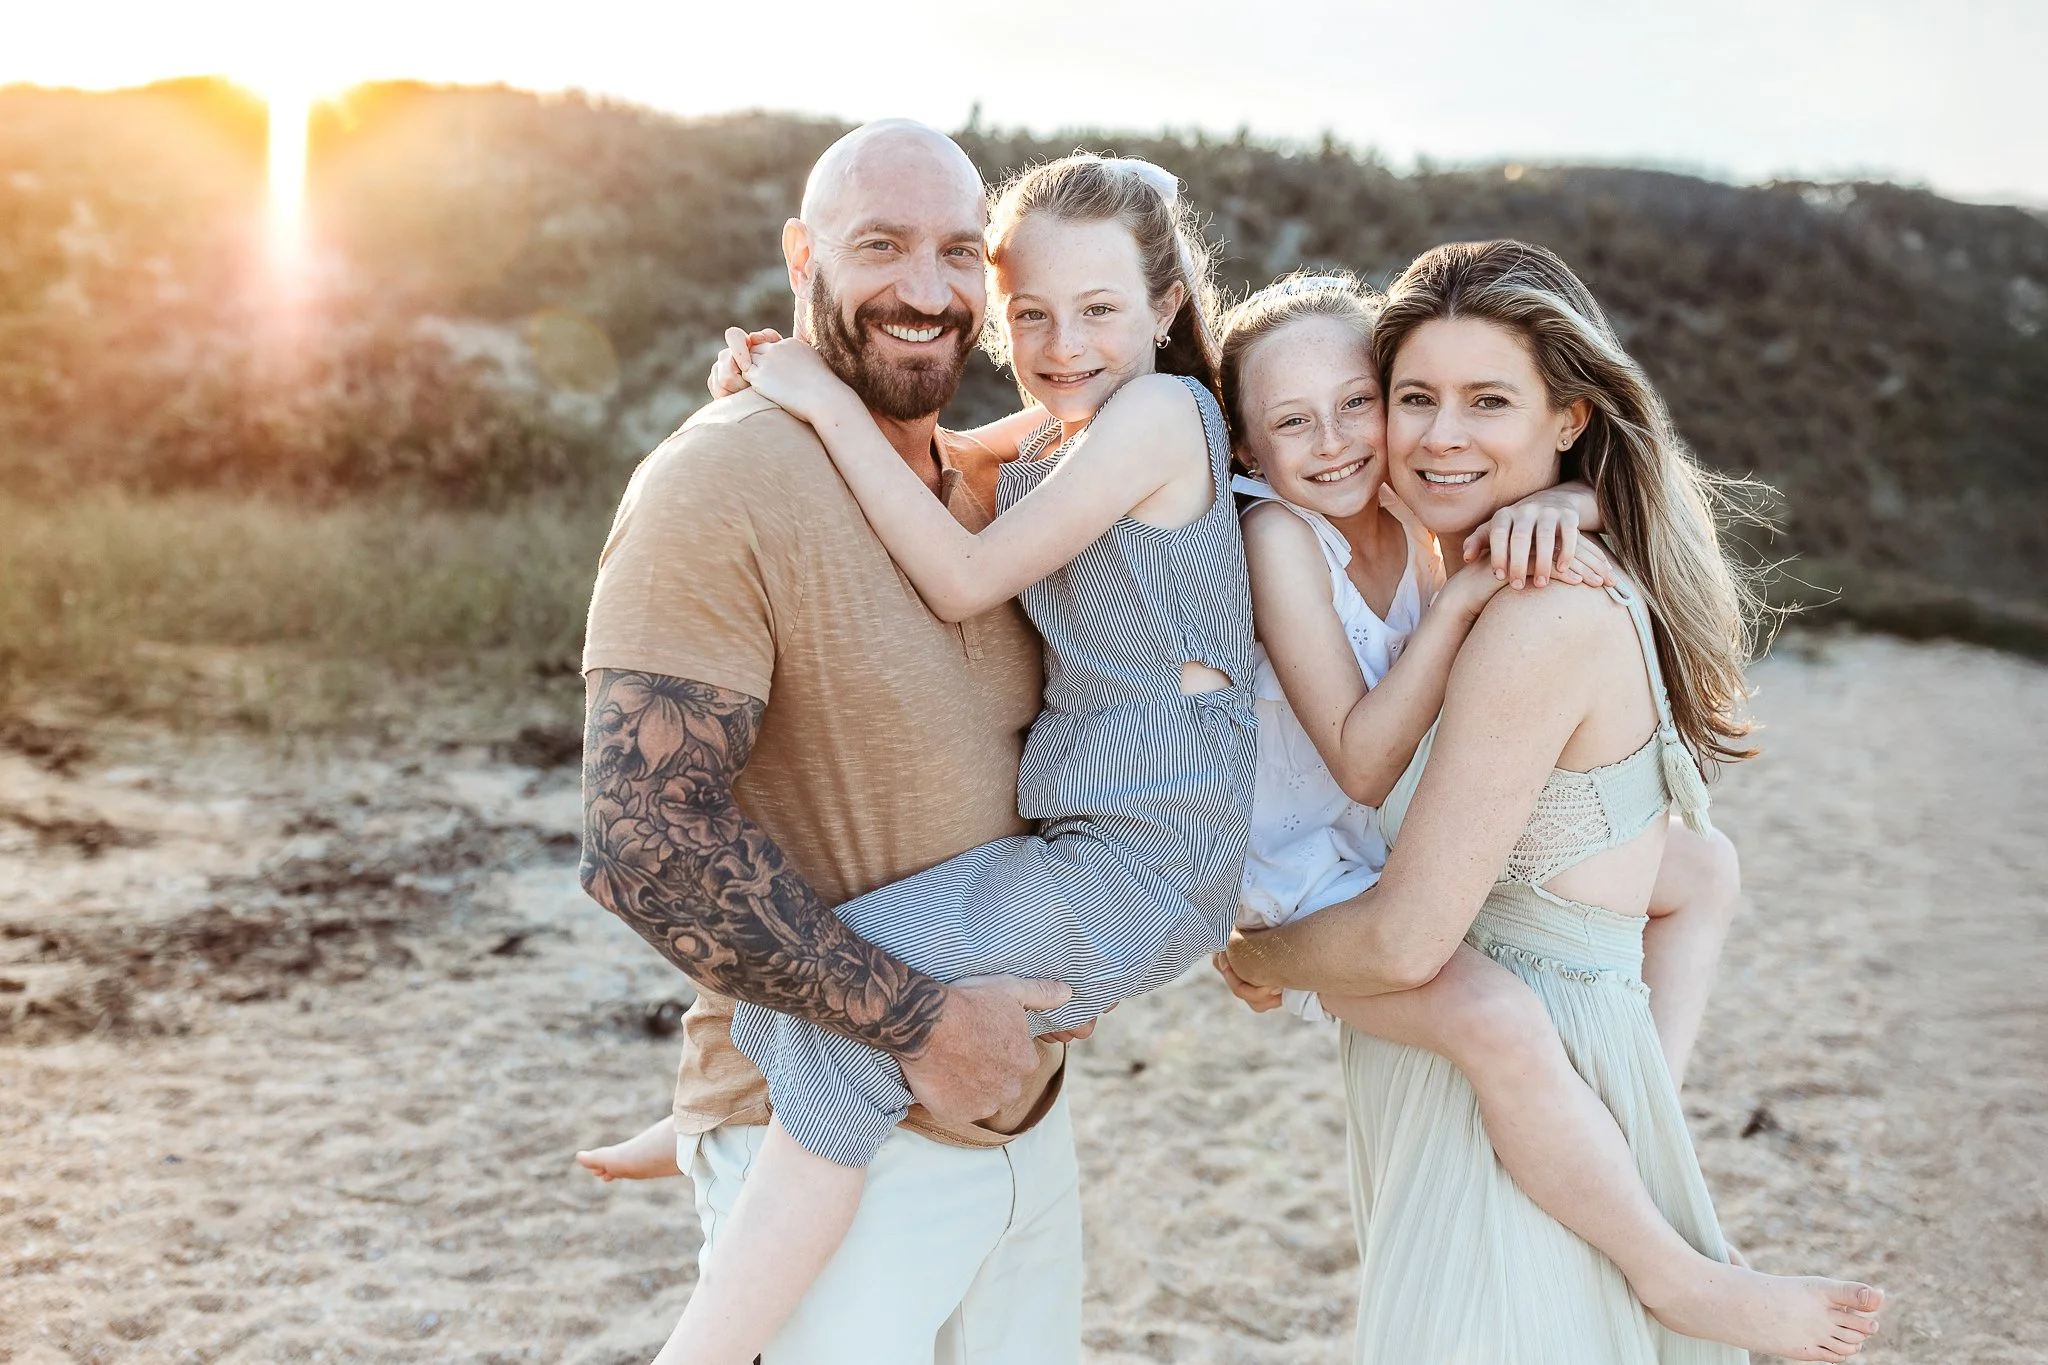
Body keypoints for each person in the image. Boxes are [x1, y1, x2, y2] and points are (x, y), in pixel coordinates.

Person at [640, 149, 1261, 1364]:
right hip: (1100, 850)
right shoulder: (1087, 417)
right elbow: (958, 461)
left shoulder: (1158, 412)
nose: (1061, 341)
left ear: (1166, 310)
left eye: (1096, 311)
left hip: (1141, 864)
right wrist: (797, 399)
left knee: (846, 995)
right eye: (1028, 314)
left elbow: (965, 568)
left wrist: (818, 401)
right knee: (846, 971)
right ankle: (696, 1129)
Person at [1225, 242, 1884, 1364]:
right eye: (1416, 398)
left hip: (1460, 1011)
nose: (1425, 436)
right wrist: (1559, 506)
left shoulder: (1528, 605)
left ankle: (1669, 1260)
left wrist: (1251, 959)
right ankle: (1646, 1183)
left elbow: (1402, 936)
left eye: (1484, 400)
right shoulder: (1408, 547)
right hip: (1520, 1036)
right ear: (1247, 444)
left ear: (1568, 417)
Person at [577, 120, 1084, 1365]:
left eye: (960, 252)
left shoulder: (994, 489)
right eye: (881, 247)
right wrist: (920, 1023)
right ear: (803, 256)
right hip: (821, 1143)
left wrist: (1568, 491)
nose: (926, 290)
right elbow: (643, 840)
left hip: (1027, 1130)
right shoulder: (719, 482)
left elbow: (1276, 432)